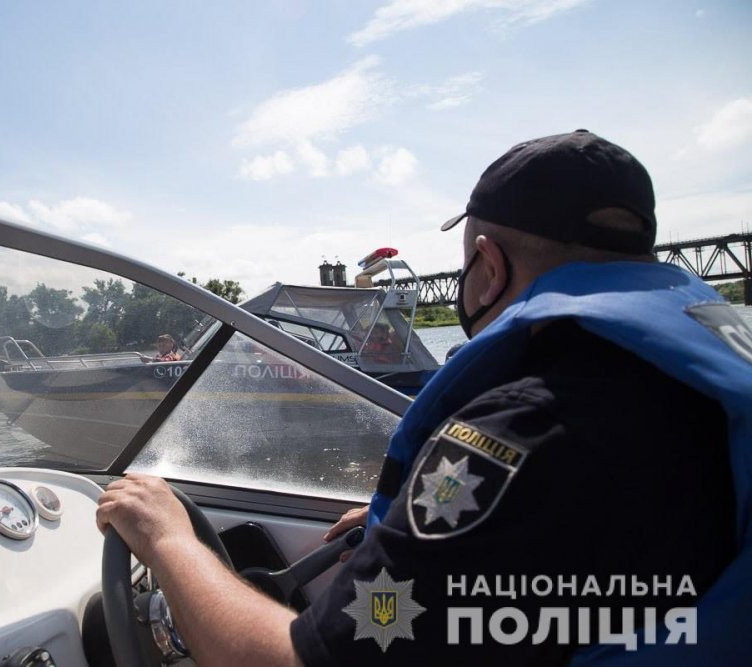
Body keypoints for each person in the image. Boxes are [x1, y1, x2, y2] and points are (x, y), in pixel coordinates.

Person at [97, 130, 751, 665]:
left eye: (467, 266)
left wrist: (167, 536)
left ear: (488, 266)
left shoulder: (531, 422)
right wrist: (414, 522)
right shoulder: (677, 383)